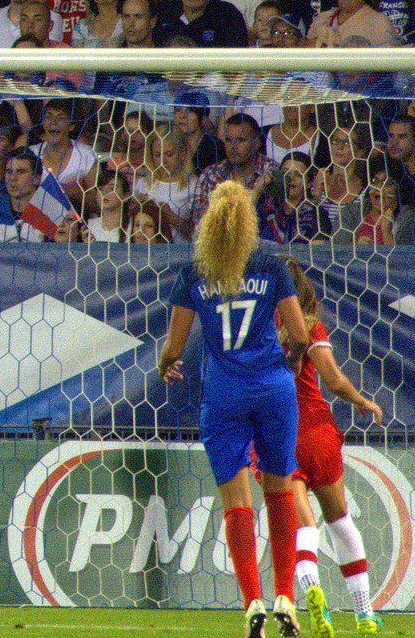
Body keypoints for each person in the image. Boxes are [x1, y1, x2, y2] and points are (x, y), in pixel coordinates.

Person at [156, 181, 311, 638]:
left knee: (236, 500)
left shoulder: (194, 273)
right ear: (248, 220)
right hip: (273, 389)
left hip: (223, 394)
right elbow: (299, 334)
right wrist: (293, 359)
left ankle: (252, 604)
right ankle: (286, 595)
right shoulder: (270, 264)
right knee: (280, 489)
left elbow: (175, 345)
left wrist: (167, 366)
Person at [281, 267, 385, 636]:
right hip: (314, 430)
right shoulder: (308, 326)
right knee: (339, 520)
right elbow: (332, 378)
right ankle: (364, 612)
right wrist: (361, 400)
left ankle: (312, 589)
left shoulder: (257, 330)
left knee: (302, 524)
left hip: (275, 432)